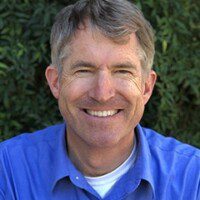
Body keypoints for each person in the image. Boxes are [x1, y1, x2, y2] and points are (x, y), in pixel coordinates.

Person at [0, 0, 199, 199]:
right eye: (84, 70)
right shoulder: (8, 171)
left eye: (122, 71)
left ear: (146, 87)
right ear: (55, 82)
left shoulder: (193, 179)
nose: (102, 94)